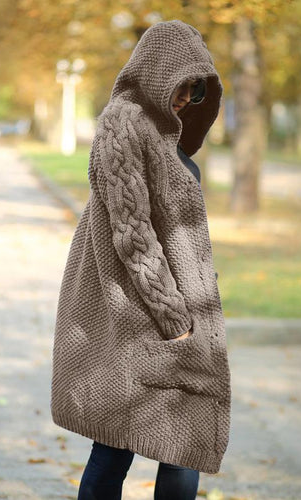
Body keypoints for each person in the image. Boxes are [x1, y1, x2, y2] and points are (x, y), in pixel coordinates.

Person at [50, 19, 232, 500]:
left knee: (181, 442)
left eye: (195, 91)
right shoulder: (124, 122)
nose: (185, 99)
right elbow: (133, 234)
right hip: (141, 308)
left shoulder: (163, 136)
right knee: (118, 439)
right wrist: (175, 318)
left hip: (176, 307)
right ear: (157, 71)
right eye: (181, 85)